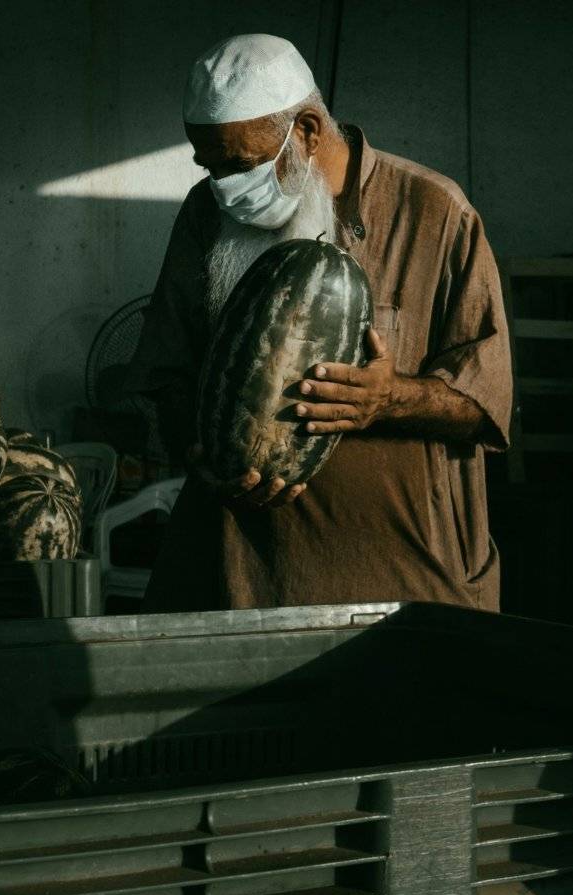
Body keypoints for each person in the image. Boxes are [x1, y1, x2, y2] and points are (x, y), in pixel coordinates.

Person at [126, 33, 513, 612]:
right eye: (210, 167)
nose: (225, 188)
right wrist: (197, 450)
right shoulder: (205, 213)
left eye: (240, 165)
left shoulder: (435, 211)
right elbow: (165, 372)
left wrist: (389, 399)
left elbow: (486, 404)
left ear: (307, 130)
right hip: (240, 573)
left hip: (402, 573)